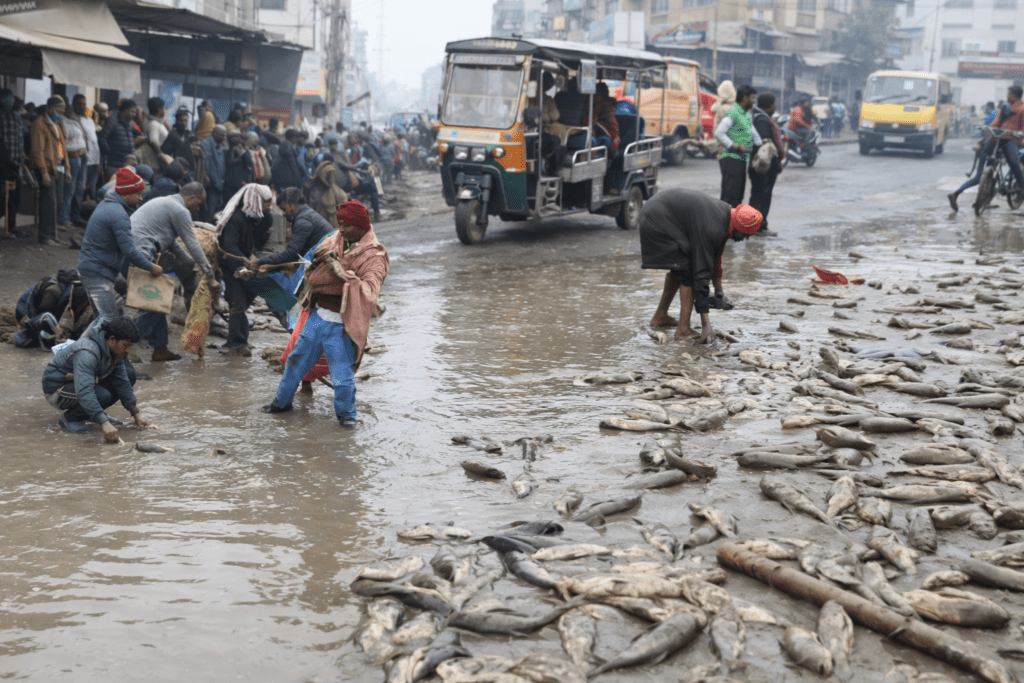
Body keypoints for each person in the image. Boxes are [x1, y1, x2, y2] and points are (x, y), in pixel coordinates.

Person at [262, 200, 389, 428]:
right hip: (317, 316)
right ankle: (281, 403)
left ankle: (347, 417)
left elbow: (370, 292)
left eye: (346, 225)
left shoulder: (375, 255)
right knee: (295, 362)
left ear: (359, 226)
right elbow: (312, 264)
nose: (340, 229)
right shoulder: (336, 240)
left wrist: (341, 272)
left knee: (341, 375)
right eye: (339, 224)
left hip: (342, 324)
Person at [640, 188, 762, 341]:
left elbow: (716, 258)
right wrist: (706, 324)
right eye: (745, 235)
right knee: (688, 269)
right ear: (737, 228)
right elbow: (701, 273)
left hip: (661, 214)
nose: (744, 239)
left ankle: (660, 316)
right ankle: (683, 329)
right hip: (657, 220)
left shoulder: (726, 216)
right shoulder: (712, 228)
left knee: (679, 266)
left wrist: (719, 292)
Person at [130, 182, 213, 360]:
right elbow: (191, 241)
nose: (198, 208)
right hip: (142, 254)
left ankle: (160, 349)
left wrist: (188, 260)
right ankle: (126, 345)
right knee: (152, 304)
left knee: (160, 302)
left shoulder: (166, 202)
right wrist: (208, 269)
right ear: (190, 199)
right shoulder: (180, 210)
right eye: (198, 203)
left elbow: (171, 241)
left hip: (135, 250)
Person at [42, 316, 156, 439]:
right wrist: (104, 421)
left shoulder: (114, 352)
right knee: (102, 395)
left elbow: (122, 381)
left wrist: (135, 413)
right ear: (112, 340)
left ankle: (89, 414)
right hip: (57, 389)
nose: (128, 350)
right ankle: (70, 419)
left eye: (130, 347)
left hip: (79, 382)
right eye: (125, 345)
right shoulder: (88, 353)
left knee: (129, 375)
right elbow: (85, 391)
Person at [77, 168, 163, 323]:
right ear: (127, 193)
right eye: (137, 194)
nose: (140, 198)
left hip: (92, 270)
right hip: (97, 274)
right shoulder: (118, 214)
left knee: (101, 324)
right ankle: (74, 348)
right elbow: (129, 251)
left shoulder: (106, 204)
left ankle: (85, 346)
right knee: (109, 322)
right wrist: (151, 267)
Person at [216, 183, 274, 356]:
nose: (269, 206)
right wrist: (246, 264)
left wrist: (261, 258)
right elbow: (230, 246)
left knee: (243, 301)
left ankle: (238, 339)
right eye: (267, 202)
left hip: (249, 263)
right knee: (237, 300)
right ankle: (237, 343)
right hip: (231, 264)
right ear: (256, 200)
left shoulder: (264, 218)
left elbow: (264, 241)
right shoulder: (236, 219)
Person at [948, 87, 1024, 212]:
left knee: (1013, 162)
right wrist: (986, 127)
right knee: (987, 167)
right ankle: (983, 197)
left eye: (1009, 94)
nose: (1007, 95)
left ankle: (1022, 186)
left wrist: (1020, 133)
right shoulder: (1003, 108)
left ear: (1014, 96)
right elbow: (996, 121)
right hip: (996, 139)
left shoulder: (1022, 109)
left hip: (1011, 139)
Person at [30, 95, 71, 246]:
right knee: (48, 202)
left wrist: (67, 167)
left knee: (57, 202)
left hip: (57, 166)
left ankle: (52, 234)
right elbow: (37, 151)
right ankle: (45, 236)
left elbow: (62, 147)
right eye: (61, 109)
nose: (63, 111)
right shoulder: (39, 124)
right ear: (52, 108)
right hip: (47, 168)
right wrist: (44, 172)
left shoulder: (56, 124)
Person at [715, 84, 760, 210]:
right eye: (752, 98)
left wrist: (761, 145)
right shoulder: (734, 112)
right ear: (745, 98)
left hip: (741, 159)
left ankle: (732, 227)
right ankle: (724, 228)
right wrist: (734, 146)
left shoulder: (746, 115)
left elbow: (754, 134)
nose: (754, 101)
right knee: (730, 198)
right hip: (731, 158)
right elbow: (719, 132)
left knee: (738, 197)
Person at [748, 92, 784, 237]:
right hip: (764, 165)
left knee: (760, 194)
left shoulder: (760, 117)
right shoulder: (762, 119)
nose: (775, 107)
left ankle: (754, 226)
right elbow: (764, 144)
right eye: (774, 104)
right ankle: (758, 227)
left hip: (767, 164)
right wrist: (773, 162)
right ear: (769, 106)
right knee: (762, 195)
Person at [59, 97, 88, 229]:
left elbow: (82, 137)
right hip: (71, 158)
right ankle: (64, 218)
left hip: (81, 158)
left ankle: (73, 216)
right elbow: (61, 143)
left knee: (78, 190)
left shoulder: (75, 121)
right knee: (68, 190)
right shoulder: (61, 121)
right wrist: (66, 158)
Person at [0, 88, 25, 236]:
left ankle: (12, 226)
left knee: (15, 195)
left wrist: (22, 160)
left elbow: (20, 140)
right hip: (2, 164)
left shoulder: (16, 117)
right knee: (4, 196)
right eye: (8, 100)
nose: (10, 103)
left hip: (15, 164)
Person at [71, 94, 101, 206]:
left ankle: (85, 213)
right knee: (78, 189)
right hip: (82, 160)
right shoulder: (72, 119)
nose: (82, 106)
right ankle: (75, 214)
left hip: (94, 161)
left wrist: (98, 161)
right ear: (74, 105)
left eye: (84, 104)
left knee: (91, 191)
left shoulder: (90, 121)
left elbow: (94, 142)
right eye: (79, 103)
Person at [98, 99, 137, 177]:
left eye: (135, 112)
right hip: (113, 165)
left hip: (126, 165)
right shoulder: (112, 120)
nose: (134, 114)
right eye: (132, 112)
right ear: (125, 111)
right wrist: (110, 152)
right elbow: (102, 138)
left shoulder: (129, 123)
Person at [199, 124, 227, 222]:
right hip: (209, 183)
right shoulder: (205, 144)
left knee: (213, 208)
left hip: (218, 183)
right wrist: (210, 178)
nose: (224, 137)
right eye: (222, 135)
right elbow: (207, 164)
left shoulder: (221, 146)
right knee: (208, 209)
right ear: (215, 134)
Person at [223, 131, 252, 199]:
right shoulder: (227, 151)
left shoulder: (243, 152)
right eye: (232, 137)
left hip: (239, 183)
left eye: (236, 137)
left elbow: (249, 166)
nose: (234, 139)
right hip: (230, 184)